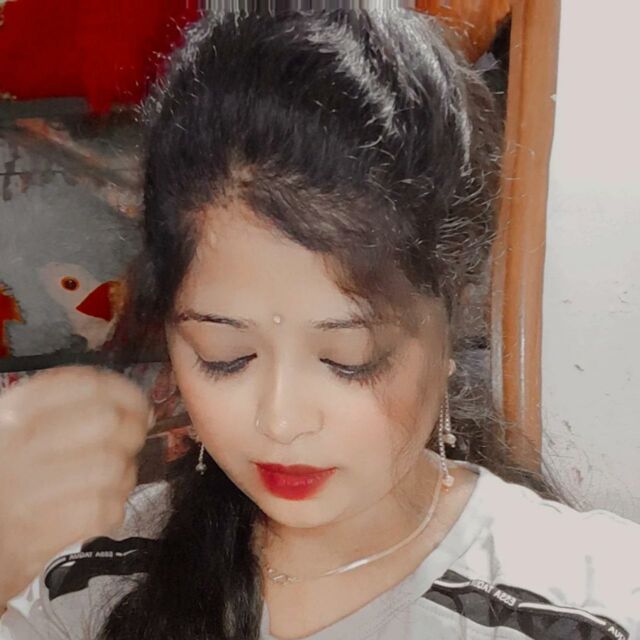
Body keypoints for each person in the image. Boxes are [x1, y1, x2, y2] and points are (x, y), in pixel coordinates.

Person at [0, 8, 638, 640]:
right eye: (224, 353)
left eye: (348, 359)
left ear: (451, 314)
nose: (281, 422)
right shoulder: (90, 579)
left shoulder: (588, 610)